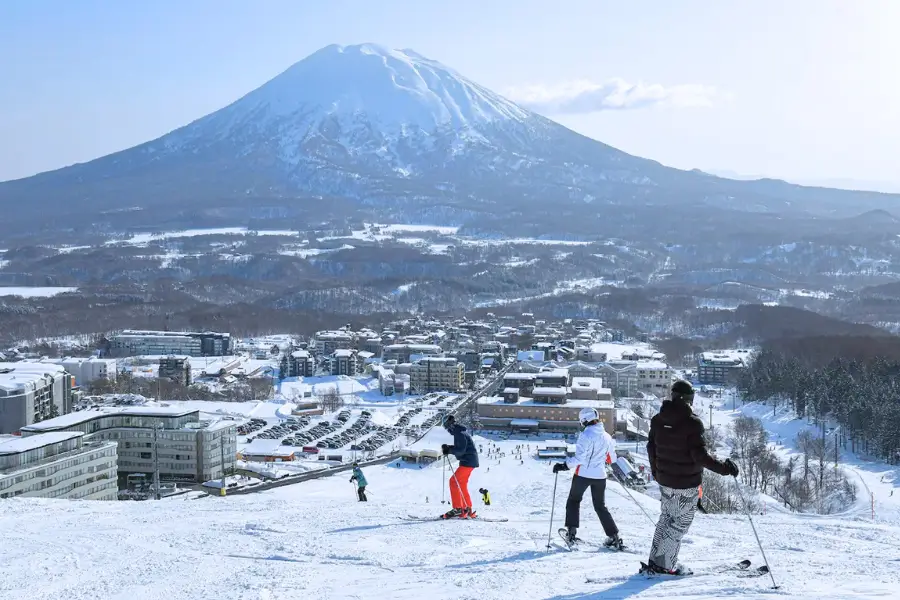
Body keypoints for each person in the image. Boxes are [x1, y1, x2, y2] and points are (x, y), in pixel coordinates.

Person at [644, 380, 739, 576]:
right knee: (678, 524)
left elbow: (651, 447)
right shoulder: (692, 423)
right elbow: (700, 456)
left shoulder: (657, 419)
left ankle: (656, 561)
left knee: (667, 519)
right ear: (689, 399)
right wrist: (725, 469)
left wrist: (656, 471)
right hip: (686, 484)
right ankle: (664, 565)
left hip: (665, 481)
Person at [553, 408, 624, 550]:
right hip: (600, 476)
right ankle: (614, 537)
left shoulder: (585, 435)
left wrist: (564, 466)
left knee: (574, 500)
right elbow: (612, 458)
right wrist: (602, 458)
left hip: (583, 475)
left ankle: (571, 534)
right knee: (600, 506)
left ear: (584, 420)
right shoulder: (606, 436)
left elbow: (580, 458)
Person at [440, 414, 480, 519]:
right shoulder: (460, 432)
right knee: (461, 484)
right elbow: (461, 448)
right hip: (469, 461)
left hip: (468, 461)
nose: (447, 429)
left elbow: (461, 450)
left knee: (453, 482)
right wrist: (449, 448)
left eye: (446, 426)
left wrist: (450, 449)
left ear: (449, 425)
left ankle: (458, 508)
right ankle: (467, 508)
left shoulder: (459, 433)